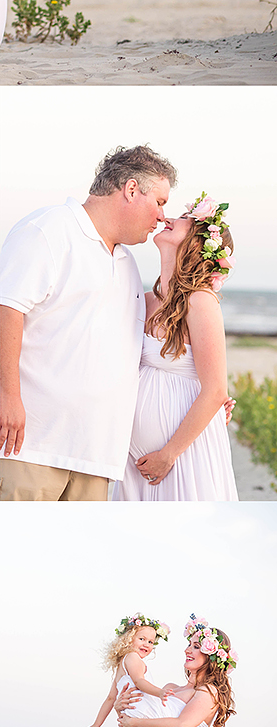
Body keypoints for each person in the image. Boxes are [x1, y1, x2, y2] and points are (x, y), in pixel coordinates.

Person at [0, 145, 177, 501]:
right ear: (130, 189)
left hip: (98, 454)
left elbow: (135, 353)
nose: (161, 216)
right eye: (159, 201)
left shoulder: (127, 264)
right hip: (35, 444)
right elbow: (10, 309)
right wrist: (9, 398)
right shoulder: (48, 230)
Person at [111, 198, 238, 501]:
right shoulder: (142, 299)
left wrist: (168, 454)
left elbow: (216, 390)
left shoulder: (200, 301)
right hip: (133, 461)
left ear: (198, 242)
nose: (168, 217)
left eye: (185, 218)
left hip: (181, 457)